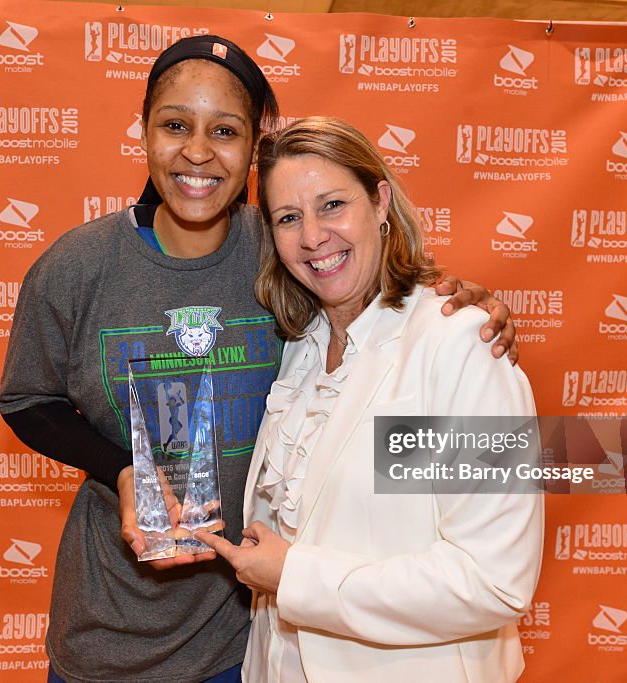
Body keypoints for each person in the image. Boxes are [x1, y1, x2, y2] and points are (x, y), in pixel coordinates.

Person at [0, 36, 520, 683]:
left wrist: (463, 315)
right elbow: (28, 400)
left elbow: (492, 560)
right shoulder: (302, 338)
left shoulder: (434, 336)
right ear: (145, 131)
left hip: (243, 640)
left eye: (224, 130)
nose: (311, 237)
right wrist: (123, 468)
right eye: (175, 125)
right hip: (176, 643)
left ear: (379, 202)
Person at [197, 117, 543, 682]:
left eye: (332, 205)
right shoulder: (298, 352)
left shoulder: (459, 347)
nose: (312, 236)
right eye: (288, 218)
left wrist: (297, 577)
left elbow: (492, 579)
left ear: (380, 201)